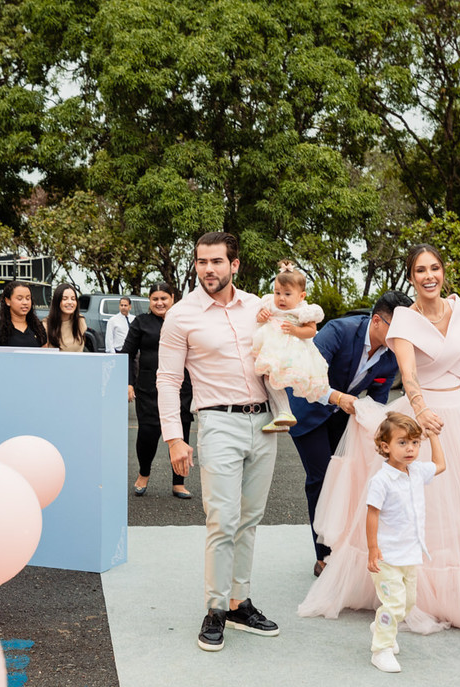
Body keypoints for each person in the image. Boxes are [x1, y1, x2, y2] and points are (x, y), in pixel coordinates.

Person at [299, 243, 460, 634]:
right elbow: (409, 375)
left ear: (443, 271)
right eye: (420, 270)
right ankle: (410, 587)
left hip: (456, 417)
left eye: (434, 268)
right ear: (411, 277)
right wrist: (422, 409)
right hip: (423, 419)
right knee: (417, 505)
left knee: (459, 505)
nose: (429, 276)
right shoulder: (404, 321)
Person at [158, 231, 281, 651]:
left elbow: (281, 353)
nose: (208, 269)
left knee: (249, 518)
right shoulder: (181, 315)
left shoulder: (258, 308)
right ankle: (215, 608)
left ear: (235, 264)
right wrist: (175, 439)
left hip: (264, 421)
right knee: (222, 520)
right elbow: (168, 379)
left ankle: (239, 602)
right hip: (217, 422)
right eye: (201, 261)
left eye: (216, 261)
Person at [288, 290, 414, 577]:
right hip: (307, 410)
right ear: (378, 320)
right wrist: (336, 397)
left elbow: (378, 398)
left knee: (344, 477)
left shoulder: (392, 356)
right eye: (397, 327)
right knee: (321, 478)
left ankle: (342, 546)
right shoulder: (339, 331)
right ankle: (324, 556)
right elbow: (305, 375)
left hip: (343, 418)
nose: (402, 336)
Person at [366, 411, 446, 673]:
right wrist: (373, 549)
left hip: (411, 553)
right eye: (402, 443)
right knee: (394, 604)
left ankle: (381, 625)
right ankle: (381, 649)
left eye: (414, 442)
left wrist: (433, 435)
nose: (410, 448)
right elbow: (372, 514)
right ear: (385, 447)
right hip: (387, 556)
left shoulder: (417, 472)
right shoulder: (381, 481)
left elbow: (440, 465)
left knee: (408, 603)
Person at [121, 282, 194, 499]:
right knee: (147, 434)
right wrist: (128, 383)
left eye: (164, 298)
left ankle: (178, 483)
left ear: (173, 298)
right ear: (149, 301)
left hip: (181, 388)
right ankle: (143, 474)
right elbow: (126, 354)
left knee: (181, 434)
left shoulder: (183, 321)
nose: (160, 303)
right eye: (155, 299)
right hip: (148, 389)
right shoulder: (141, 322)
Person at [253, 261, 329, 433]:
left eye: (287, 294)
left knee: (271, 378)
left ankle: (285, 412)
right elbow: (258, 320)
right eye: (277, 292)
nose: (281, 298)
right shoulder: (269, 304)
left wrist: (295, 330)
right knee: (269, 379)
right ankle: (281, 418)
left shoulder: (304, 310)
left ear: (301, 296)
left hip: (292, 351)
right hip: (273, 346)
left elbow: (311, 331)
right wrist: (261, 316)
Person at [0, 281, 46, 347]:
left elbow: (44, 353)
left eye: (28, 298)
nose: (25, 302)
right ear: (8, 301)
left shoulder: (38, 328)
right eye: (19, 299)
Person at [45, 283, 88, 351]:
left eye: (73, 299)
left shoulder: (80, 320)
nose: (70, 302)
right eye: (65, 299)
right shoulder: (46, 324)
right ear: (57, 301)